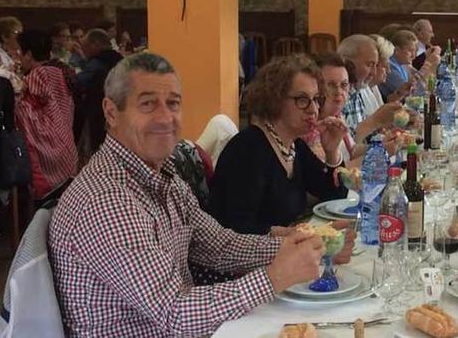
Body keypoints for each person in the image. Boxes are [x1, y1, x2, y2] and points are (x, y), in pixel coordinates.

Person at [49, 52, 353, 337]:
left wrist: (300, 245)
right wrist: (275, 276)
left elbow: (219, 245)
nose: (166, 117)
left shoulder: (161, 176)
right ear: (111, 112)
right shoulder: (107, 199)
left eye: (173, 103)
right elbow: (174, 312)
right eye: (147, 104)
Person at [210, 55, 349, 235]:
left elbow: (334, 197)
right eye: (302, 99)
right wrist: (292, 235)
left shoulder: (294, 145)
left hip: (285, 251)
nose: (313, 110)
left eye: (316, 99)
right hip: (249, 259)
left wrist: (332, 151)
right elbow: (235, 227)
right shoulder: (248, 150)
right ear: (274, 99)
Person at [14, 30, 78, 199]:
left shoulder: (38, 74)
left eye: (20, 53)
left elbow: (26, 111)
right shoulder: (59, 70)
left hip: (49, 150)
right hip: (66, 142)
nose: (18, 58)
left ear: (28, 54)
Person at [74, 29, 124, 164]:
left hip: (98, 111)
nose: (84, 52)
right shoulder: (121, 59)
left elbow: (78, 82)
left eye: (85, 47)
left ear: (95, 44)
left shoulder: (98, 62)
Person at [380, 29, 418, 101]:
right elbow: (412, 94)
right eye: (410, 50)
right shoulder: (390, 66)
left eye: (414, 51)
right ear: (397, 50)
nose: (414, 55)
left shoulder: (402, 65)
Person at [0, 16, 23, 92]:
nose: (20, 36)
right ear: (4, 37)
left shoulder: (20, 53)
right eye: (16, 32)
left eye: (20, 33)